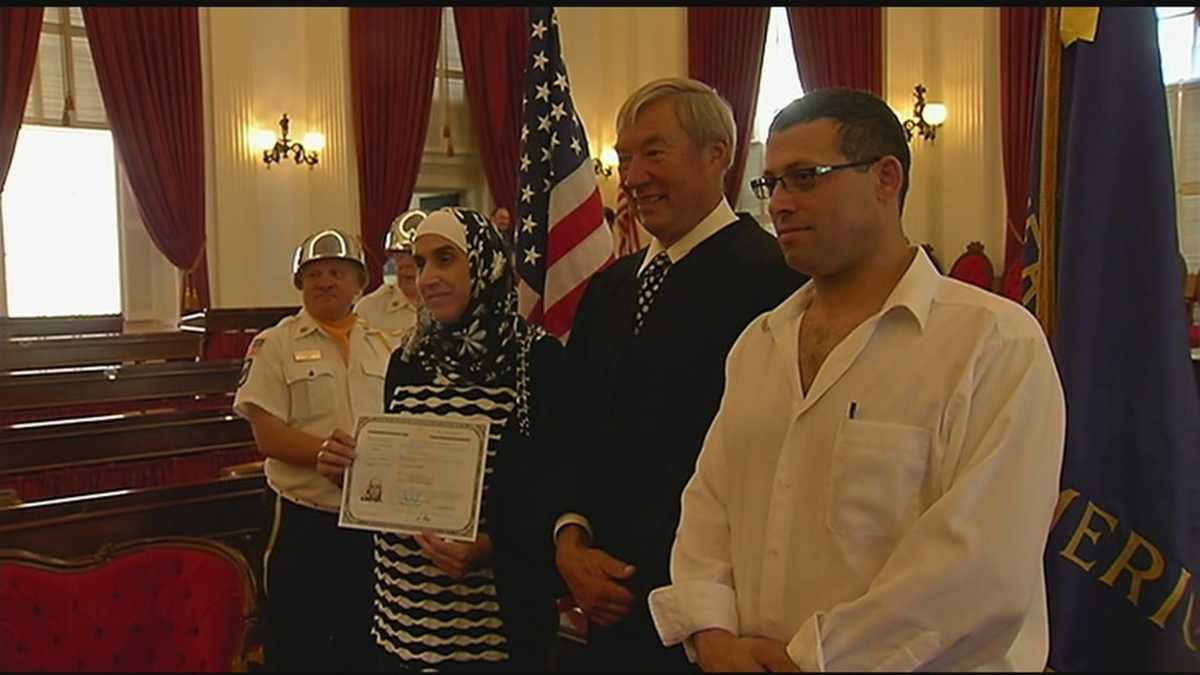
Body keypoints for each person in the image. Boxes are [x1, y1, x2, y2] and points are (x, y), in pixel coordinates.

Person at [648, 88, 1067, 671]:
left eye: (805, 178)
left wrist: (812, 659)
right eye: (771, 183)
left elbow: (979, 562)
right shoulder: (759, 344)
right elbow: (710, 506)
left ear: (885, 179)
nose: (779, 205)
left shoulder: (992, 342)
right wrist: (712, 633)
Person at [546, 77, 807, 672]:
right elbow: (572, 427)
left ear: (717, 155)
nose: (632, 177)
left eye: (653, 153)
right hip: (603, 604)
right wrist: (569, 538)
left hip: (721, 622)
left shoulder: (778, 282)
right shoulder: (610, 289)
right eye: (624, 158)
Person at [318, 208, 563, 671]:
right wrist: (350, 473)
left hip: (491, 630)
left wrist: (494, 548)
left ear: (485, 263)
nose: (427, 277)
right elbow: (397, 474)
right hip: (400, 618)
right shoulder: (409, 359)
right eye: (420, 262)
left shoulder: (536, 359)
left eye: (445, 259)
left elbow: (557, 488)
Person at [233, 228, 391, 672]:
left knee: (363, 647)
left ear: (359, 282)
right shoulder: (274, 344)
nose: (325, 282)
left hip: (368, 521)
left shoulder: (386, 345)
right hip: (300, 519)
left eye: (337, 272)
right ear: (299, 283)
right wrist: (325, 453)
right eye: (314, 274)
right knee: (298, 646)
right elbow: (266, 435)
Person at [355, 210, 425, 343]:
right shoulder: (369, 308)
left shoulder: (448, 305)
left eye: (413, 255)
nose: (405, 263)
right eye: (399, 255)